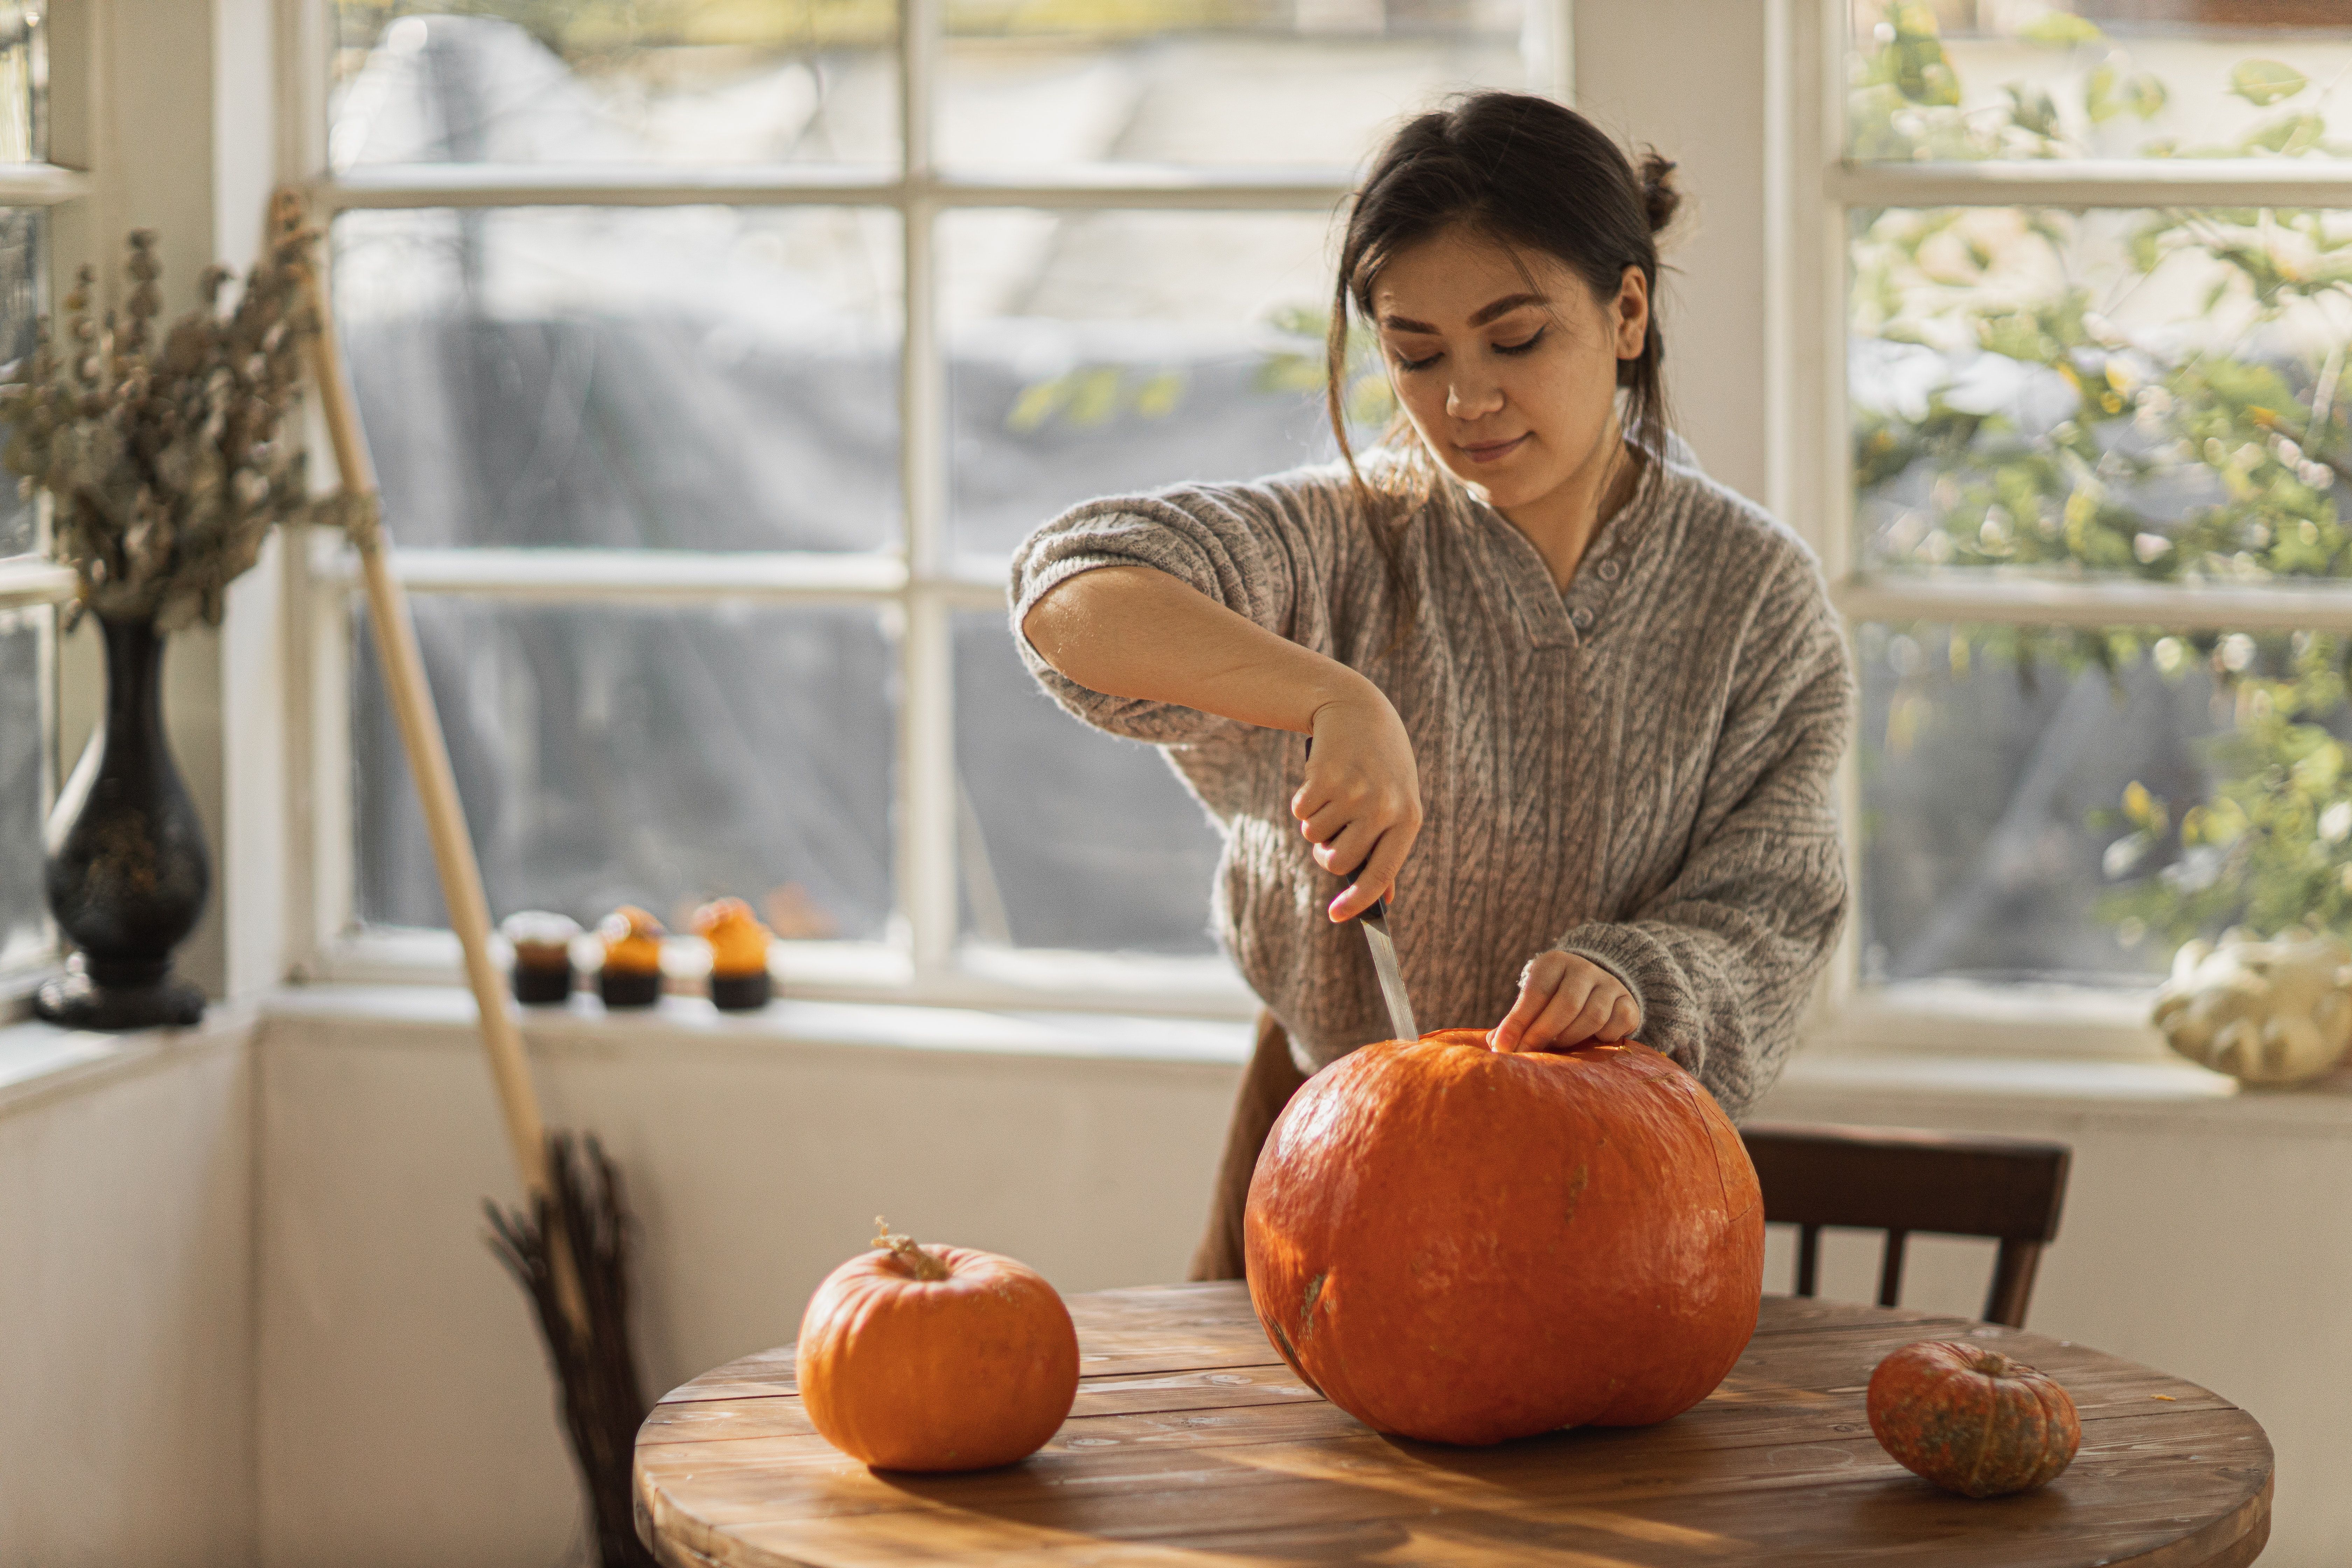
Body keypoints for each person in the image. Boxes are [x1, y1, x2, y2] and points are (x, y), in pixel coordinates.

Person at [1010, 91, 1853, 1281]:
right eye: (1416, 355)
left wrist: (1632, 979)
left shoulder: (1757, 594)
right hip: (1333, 1147)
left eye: (1515, 341)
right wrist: (1330, 696)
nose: (1465, 400)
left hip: (1622, 1183)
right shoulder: (1341, 546)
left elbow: (1774, 910)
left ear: (1627, 310)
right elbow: (1069, 589)